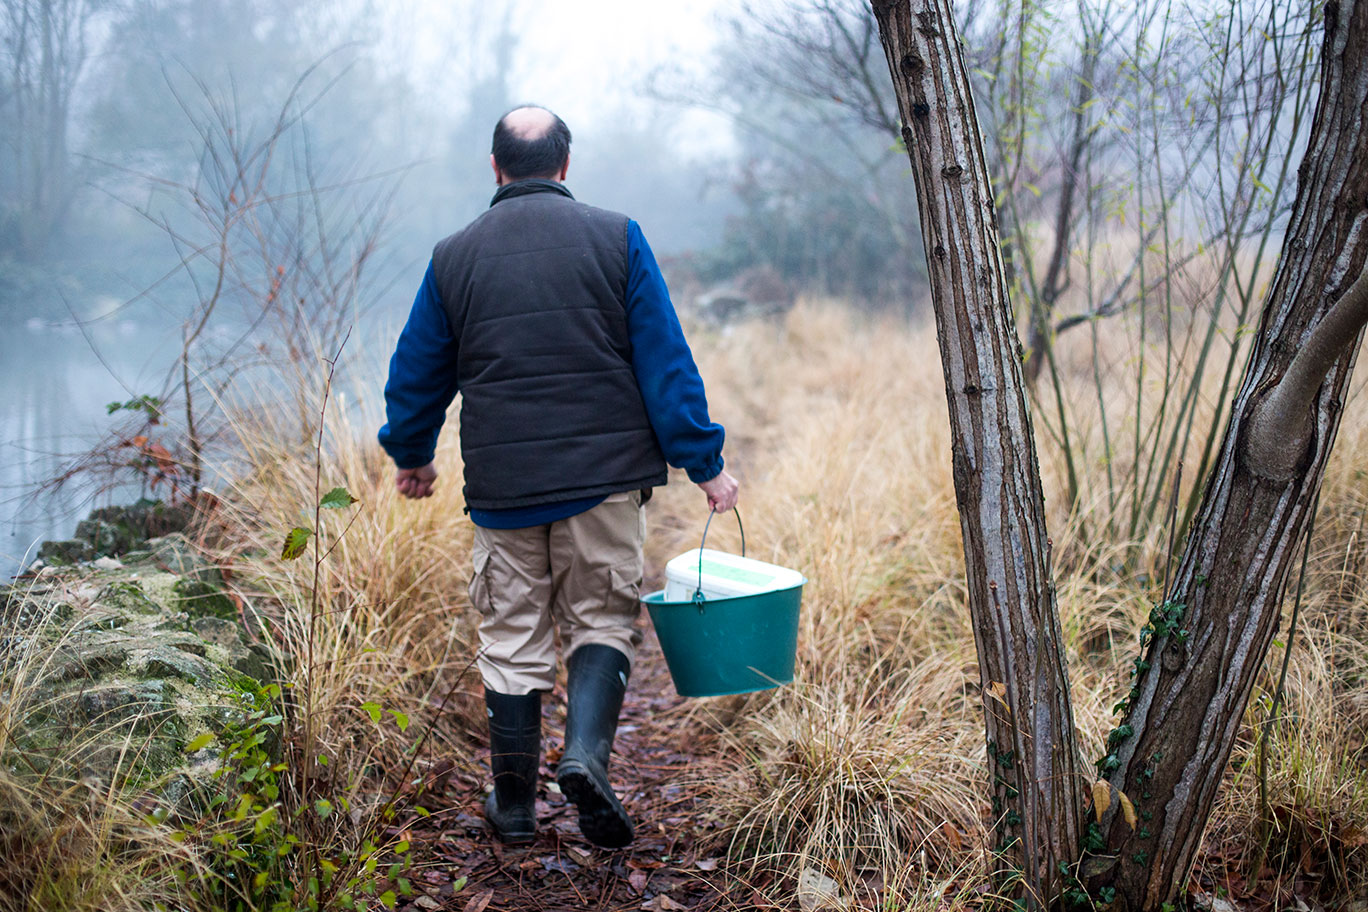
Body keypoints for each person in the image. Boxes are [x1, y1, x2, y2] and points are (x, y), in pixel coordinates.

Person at [377, 105, 739, 850]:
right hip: (605, 483)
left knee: (510, 635)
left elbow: (417, 371)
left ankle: (513, 808)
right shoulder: (617, 237)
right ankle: (585, 760)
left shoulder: (454, 256)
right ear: (565, 166)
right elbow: (664, 361)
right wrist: (705, 462)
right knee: (601, 619)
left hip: (505, 489)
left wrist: (412, 454)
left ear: (496, 167)